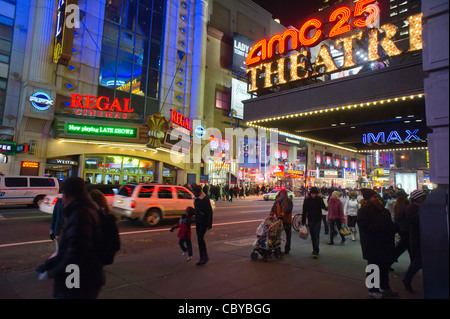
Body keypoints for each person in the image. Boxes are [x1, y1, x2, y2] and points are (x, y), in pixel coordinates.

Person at [35, 177, 105, 299]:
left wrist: (55, 271)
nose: (62, 198)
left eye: (63, 194)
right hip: (84, 273)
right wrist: (48, 264)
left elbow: (75, 253)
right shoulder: (87, 209)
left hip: (78, 274)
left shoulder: (80, 214)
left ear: (68, 194)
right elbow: (69, 248)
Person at [357, 188, 398, 299]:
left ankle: (384, 287)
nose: (377, 198)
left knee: (384, 266)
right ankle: (373, 290)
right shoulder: (364, 211)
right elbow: (364, 226)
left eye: (377, 196)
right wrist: (379, 227)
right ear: (368, 199)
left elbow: (389, 223)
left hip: (384, 243)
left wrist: (393, 228)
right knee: (373, 267)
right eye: (374, 197)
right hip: (372, 243)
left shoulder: (382, 210)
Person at [403, 189, 427, 293]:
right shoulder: (411, 208)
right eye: (421, 197)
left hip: (424, 237)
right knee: (418, 262)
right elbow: (413, 221)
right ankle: (407, 279)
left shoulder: (422, 207)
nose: (423, 199)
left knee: (421, 261)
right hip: (416, 239)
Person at [301, 187, 327, 258]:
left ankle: (316, 250)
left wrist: (324, 204)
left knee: (316, 234)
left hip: (317, 219)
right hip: (310, 219)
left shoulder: (319, 199)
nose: (313, 195)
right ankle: (314, 248)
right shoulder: (307, 200)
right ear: (310, 193)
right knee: (312, 235)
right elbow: (304, 211)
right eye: (312, 193)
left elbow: (323, 207)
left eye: (315, 194)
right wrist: (303, 221)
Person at [192, 185, 213, 266]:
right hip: (198, 221)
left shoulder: (205, 199)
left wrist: (209, 224)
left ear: (198, 192)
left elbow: (209, 212)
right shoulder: (196, 199)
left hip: (203, 222)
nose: (193, 194)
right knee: (199, 239)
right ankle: (203, 257)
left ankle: (204, 257)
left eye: (194, 192)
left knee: (200, 238)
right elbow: (197, 210)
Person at [269, 189, 293, 255]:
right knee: (276, 235)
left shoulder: (289, 201)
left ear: (285, 194)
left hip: (286, 221)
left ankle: (287, 249)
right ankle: (277, 248)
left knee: (288, 235)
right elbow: (273, 208)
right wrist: (271, 214)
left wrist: (282, 215)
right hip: (279, 221)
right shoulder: (277, 201)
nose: (282, 195)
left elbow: (288, 209)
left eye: (283, 194)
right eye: (281, 194)